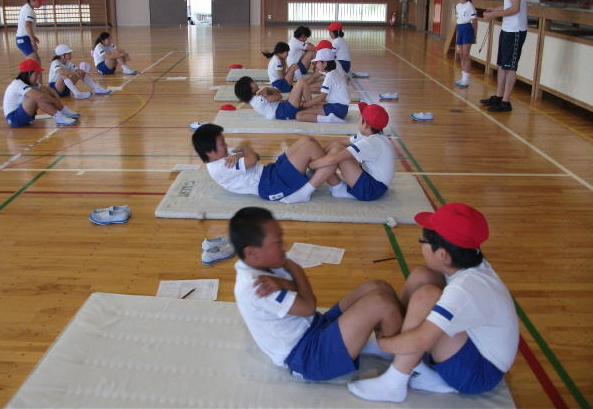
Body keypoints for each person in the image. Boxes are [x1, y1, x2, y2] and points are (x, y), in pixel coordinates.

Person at [348, 203, 518, 402]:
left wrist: (384, 343)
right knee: (423, 276)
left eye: (423, 241)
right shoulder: (470, 264)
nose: (420, 246)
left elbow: (423, 339)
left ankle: (394, 382)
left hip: (479, 373)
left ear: (443, 254)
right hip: (472, 349)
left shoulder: (465, 289)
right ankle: (400, 346)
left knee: (426, 297)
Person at [230, 206, 403, 381]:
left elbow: (297, 291)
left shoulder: (263, 263)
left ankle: (389, 348)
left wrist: (285, 282)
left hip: (317, 326)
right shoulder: (257, 287)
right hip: (309, 356)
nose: (284, 246)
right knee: (381, 303)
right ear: (252, 253)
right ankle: (402, 369)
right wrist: (294, 267)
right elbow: (308, 307)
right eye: (277, 242)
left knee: (378, 287)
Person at [192, 123, 345, 204]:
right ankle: (333, 186)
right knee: (310, 148)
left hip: (269, 172)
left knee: (307, 140)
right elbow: (252, 158)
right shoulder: (220, 167)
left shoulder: (222, 155)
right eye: (222, 143)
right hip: (270, 185)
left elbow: (255, 156)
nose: (226, 145)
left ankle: (318, 174)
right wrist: (244, 149)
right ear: (209, 152)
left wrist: (243, 151)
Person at [309, 102, 395, 201]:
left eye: (360, 118)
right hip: (371, 180)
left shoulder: (372, 142)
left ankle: (308, 188)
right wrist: (319, 154)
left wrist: (311, 164)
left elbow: (334, 159)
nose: (358, 120)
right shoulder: (370, 134)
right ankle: (316, 176)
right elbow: (339, 143)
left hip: (372, 190)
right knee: (337, 147)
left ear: (366, 125)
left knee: (337, 153)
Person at [481, 0, 528, 113]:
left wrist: (493, 16)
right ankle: (499, 96)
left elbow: (515, 8)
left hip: (516, 30)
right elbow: (509, 5)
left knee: (510, 66)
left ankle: (506, 101)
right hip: (508, 28)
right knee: (502, 64)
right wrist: (496, 9)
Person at [3, 59, 80, 127]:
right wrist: (54, 100)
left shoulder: (30, 83)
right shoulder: (17, 83)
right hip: (13, 118)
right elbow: (39, 97)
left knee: (42, 92)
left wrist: (56, 97)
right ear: (29, 73)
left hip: (22, 114)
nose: (37, 77)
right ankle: (59, 118)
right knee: (37, 97)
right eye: (36, 74)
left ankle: (64, 111)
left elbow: (47, 89)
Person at [291, 47, 350, 124]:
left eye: (317, 62)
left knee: (299, 115)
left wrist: (303, 104)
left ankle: (330, 119)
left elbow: (320, 98)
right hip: (341, 108)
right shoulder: (334, 72)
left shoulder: (330, 76)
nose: (316, 65)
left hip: (337, 109)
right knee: (307, 109)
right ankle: (330, 117)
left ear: (324, 63)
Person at [234, 75, 311, 121]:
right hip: (284, 112)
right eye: (252, 82)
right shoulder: (258, 100)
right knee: (301, 82)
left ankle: (310, 106)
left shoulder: (255, 99)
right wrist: (267, 91)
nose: (254, 82)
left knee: (300, 88)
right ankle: (311, 107)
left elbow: (278, 92)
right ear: (249, 89)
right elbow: (279, 96)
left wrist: (267, 89)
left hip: (283, 108)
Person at [453, 0, 477, 88]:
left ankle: (466, 80)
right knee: (461, 55)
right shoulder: (458, 6)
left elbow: (474, 21)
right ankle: (463, 78)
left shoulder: (469, 6)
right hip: (460, 29)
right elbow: (458, 20)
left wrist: (474, 34)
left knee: (466, 55)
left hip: (467, 29)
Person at [16, 0, 44, 64]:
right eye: (39, 1)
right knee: (34, 62)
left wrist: (33, 37)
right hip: (23, 39)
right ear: (32, 0)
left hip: (25, 38)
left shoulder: (26, 8)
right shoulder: (29, 11)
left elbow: (26, 27)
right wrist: (33, 41)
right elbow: (28, 26)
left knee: (36, 62)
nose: (41, 3)